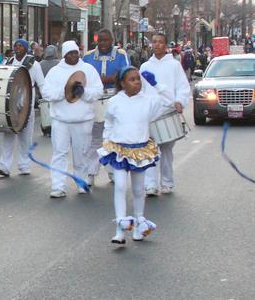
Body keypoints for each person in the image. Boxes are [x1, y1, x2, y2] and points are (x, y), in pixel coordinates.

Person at [99, 66, 172, 244]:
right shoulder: (115, 101)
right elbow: (108, 121)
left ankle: (139, 224)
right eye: (132, 79)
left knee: (139, 189)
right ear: (123, 83)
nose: (137, 82)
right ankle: (120, 229)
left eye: (138, 79)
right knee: (121, 186)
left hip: (140, 150)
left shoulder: (148, 101)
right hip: (119, 150)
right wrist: (106, 140)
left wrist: (156, 84)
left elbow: (170, 101)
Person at [40, 40, 104, 198]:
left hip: (83, 120)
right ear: (64, 55)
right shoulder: (55, 71)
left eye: (75, 52)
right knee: (59, 153)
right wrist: (65, 92)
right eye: (70, 53)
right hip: (61, 120)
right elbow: (46, 93)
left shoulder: (88, 69)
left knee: (82, 153)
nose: (73, 56)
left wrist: (84, 92)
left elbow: (98, 91)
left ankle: (82, 182)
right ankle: (58, 186)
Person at [140, 32, 191, 196]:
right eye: (154, 42)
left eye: (160, 42)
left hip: (168, 112)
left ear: (165, 45)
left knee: (166, 152)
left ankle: (167, 183)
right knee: (150, 150)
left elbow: (183, 87)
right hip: (150, 113)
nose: (156, 45)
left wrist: (180, 101)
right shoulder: (145, 67)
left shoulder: (174, 65)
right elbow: (140, 90)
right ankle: (150, 185)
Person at [0, 38, 45, 178]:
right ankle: (4, 166)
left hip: (26, 104)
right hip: (10, 104)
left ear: (26, 48)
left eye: (20, 46)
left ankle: (25, 165)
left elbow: (42, 83)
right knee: (8, 135)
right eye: (16, 45)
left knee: (25, 137)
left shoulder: (33, 64)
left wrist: (45, 100)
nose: (17, 48)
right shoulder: (8, 62)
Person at [83, 29, 129, 185]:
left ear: (112, 40)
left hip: (113, 97)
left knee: (113, 136)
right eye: (100, 40)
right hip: (94, 98)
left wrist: (106, 79)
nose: (103, 44)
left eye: (106, 40)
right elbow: (83, 77)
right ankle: (90, 172)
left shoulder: (121, 54)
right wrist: (108, 78)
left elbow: (124, 75)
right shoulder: (88, 56)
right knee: (94, 137)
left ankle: (113, 171)